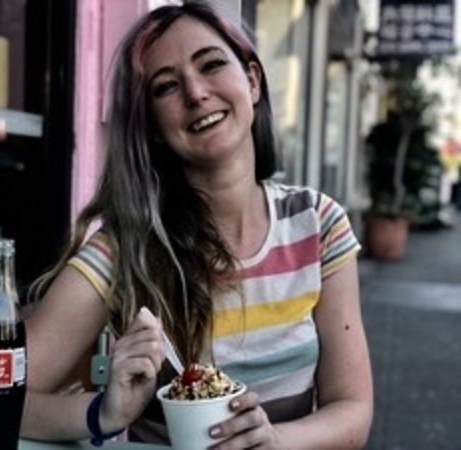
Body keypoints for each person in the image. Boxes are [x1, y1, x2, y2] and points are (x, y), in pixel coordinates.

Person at [21, 2, 373, 448]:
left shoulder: (318, 224)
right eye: (166, 86)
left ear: (252, 81)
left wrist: (274, 442)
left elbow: (354, 410)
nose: (196, 92)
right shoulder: (125, 248)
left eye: (212, 65)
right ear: (150, 125)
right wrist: (102, 412)